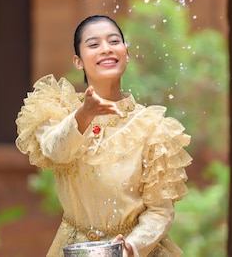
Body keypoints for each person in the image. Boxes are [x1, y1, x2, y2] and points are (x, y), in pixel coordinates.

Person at [15, 15, 192, 257]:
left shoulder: (152, 127)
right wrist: (84, 115)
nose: (106, 49)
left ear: (126, 53)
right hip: (74, 249)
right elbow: (55, 151)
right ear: (78, 61)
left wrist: (131, 246)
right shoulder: (56, 109)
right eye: (94, 44)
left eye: (114, 41)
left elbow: (160, 211)